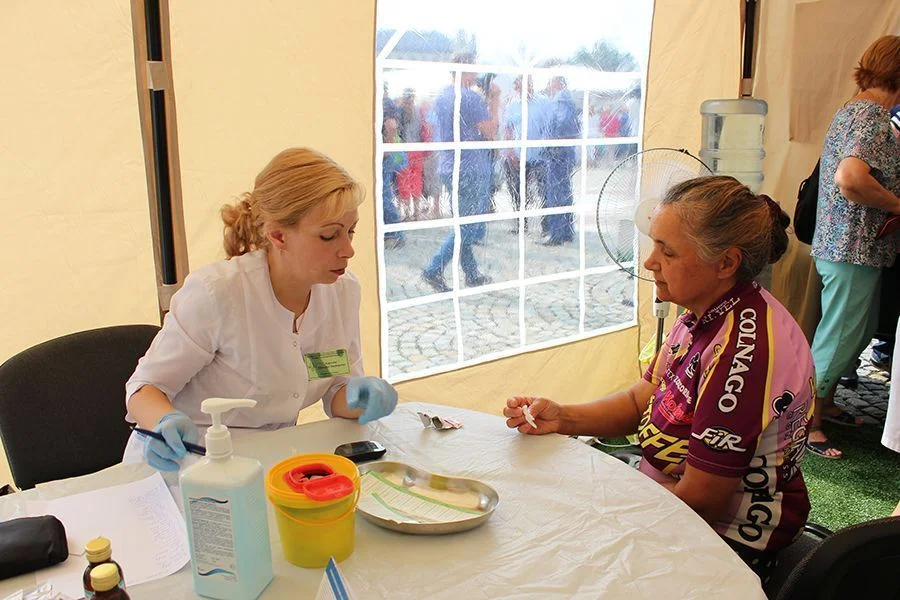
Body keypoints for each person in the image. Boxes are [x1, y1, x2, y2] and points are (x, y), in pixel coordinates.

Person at [504, 176, 813, 583]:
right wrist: (563, 417)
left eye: (667, 251)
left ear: (726, 263)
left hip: (724, 544)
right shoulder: (705, 311)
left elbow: (699, 504)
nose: (650, 262)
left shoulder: (744, 355)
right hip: (665, 497)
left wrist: (600, 496)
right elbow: (641, 400)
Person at [124, 148, 399, 471]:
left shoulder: (343, 291)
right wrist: (163, 422)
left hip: (271, 459)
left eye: (350, 232)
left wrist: (360, 396)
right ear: (278, 236)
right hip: (187, 460)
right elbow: (144, 389)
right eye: (329, 236)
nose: (348, 250)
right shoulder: (217, 294)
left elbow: (337, 393)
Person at [807, 35, 900, 459]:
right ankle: (806, 421)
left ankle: (823, 404)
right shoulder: (873, 118)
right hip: (852, 247)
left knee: (855, 331)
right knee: (842, 333)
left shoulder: (854, 109)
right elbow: (850, 178)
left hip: (846, 245)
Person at [421, 55, 499, 292]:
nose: (477, 73)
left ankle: (472, 274)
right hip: (471, 167)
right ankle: (434, 268)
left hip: (448, 165)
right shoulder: (470, 98)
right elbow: (490, 131)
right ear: (466, 70)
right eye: (474, 68)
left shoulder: (442, 96)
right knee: (467, 227)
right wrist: (494, 101)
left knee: (462, 223)